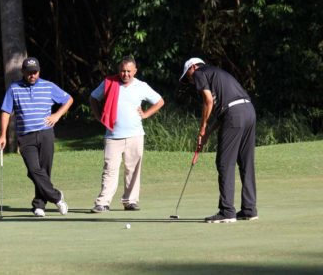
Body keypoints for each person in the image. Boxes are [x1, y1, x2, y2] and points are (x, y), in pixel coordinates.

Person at [179, 57, 258, 223]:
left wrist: (202, 128)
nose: (191, 80)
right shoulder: (217, 73)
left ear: (193, 67)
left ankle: (227, 211)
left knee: (224, 162)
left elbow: (208, 101)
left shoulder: (200, 72)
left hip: (235, 114)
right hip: (249, 111)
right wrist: (207, 133)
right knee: (246, 162)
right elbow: (224, 111)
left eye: (188, 75)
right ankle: (249, 209)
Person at [0, 57, 73, 217]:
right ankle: (57, 197)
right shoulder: (14, 88)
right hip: (26, 136)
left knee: (44, 171)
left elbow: (68, 99)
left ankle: (39, 205)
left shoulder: (48, 86)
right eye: (29, 72)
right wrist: (2, 134)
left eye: (35, 72)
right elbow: (5, 112)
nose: (32, 75)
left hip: (46, 134)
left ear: (39, 71)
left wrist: (57, 116)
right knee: (33, 170)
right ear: (23, 72)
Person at [89, 56, 164, 213]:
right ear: (119, 70)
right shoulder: (110, 83)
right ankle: (103, 202)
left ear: (135, 71)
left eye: (129, 71)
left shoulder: (141, 86)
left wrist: (145, 114)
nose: (125, 74)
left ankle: (130, 201)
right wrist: (98, 116)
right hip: (112, 135)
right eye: (123, 71)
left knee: (133, 169)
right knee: (110, 169)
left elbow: (159, 101)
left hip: (135, 135)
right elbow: (93, 98)